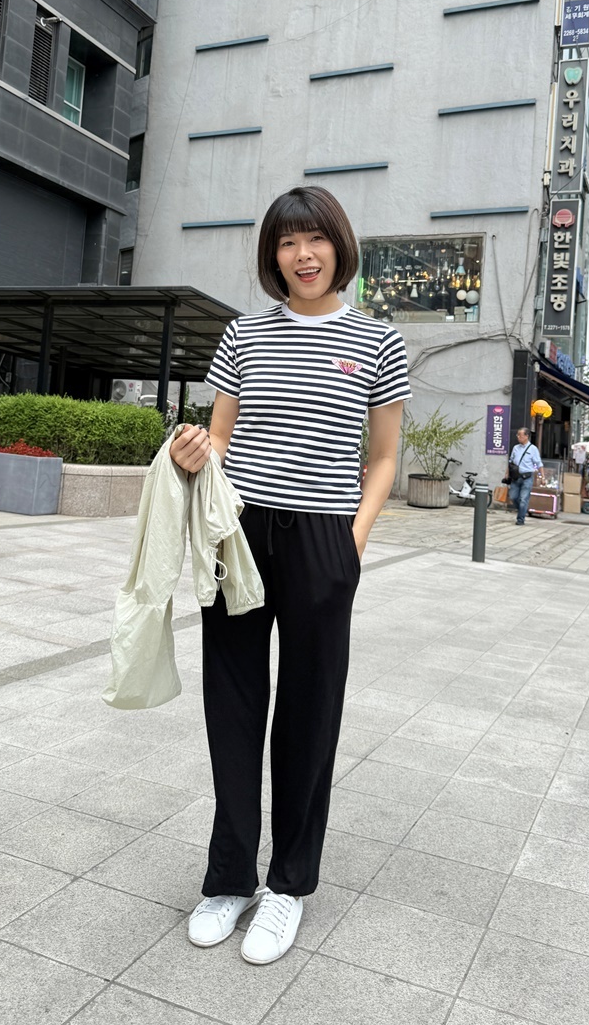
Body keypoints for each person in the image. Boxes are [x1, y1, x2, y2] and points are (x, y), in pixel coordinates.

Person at [168, 186, 411, 965]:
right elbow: (220, 438)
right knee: (233, 703)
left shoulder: (378, 341)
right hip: (238, 532)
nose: (303, 255)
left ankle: (288, 886)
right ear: (273, 256)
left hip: (322, 540)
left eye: (315, 239)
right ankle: (230, 878)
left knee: (310, 711)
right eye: (286, 242)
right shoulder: (243, 334)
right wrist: (191, 456)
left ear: (339, 246)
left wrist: (352, 542)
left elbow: (383, 457)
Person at [508, 427, 543, 525]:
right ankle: (523, 510)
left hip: (527, 477)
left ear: (527, 436)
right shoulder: (515, 448)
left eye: (520, 435)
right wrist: (507, 473)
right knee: (513, 497)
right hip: (516, 477)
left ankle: (520, 519)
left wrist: (542, 477)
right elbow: (511, 462)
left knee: (523, 499)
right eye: (517, 435)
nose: (518, 437)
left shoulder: (533, 449)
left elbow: (539, 464)